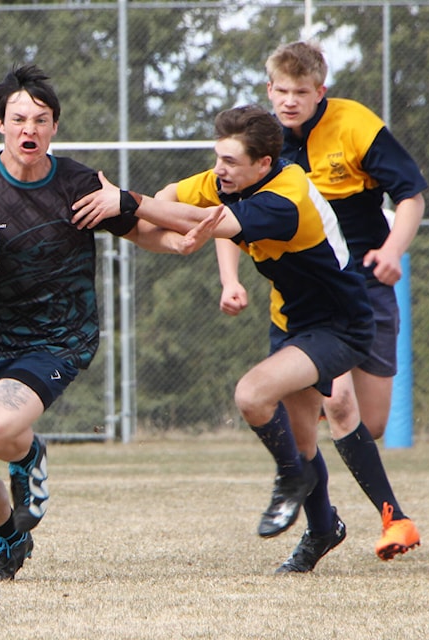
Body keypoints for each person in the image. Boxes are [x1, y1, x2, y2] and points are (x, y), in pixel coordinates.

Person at [0, 64, 221, 582]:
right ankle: (11, 540)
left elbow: (140, 229)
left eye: (41, 119)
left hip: (58, 338)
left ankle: (29, 455)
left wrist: (178, 242)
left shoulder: (77, 183)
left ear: (54, 127)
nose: (29, 128)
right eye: (18, 119)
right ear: (1, 125)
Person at [73, 104, 376, 574]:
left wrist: (128, 201)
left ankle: (289, 480)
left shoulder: (286, 196)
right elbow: (171, 199)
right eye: (218, 157)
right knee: (303, 439)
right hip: (298, 323)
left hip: (343, 326)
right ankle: (322, 530)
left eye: (230, 161)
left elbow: (217, 222)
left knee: (252, 395)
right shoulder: (229, 178)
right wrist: (134, 221)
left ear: (264, 164)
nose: (219, 169)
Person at [236, 40, 426, 561]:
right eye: (282, 90)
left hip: (365, 283)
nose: (291, 101)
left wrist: (392, 250)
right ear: (268, 89)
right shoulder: (260, 141)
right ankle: (384, 520)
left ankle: (328, 511)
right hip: (306, 301)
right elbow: (225, 211)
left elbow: (410, 195)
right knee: (335, 402)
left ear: (322, 91)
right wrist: (230, 279)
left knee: (371, 421)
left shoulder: (353, 125)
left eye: (303, 92)